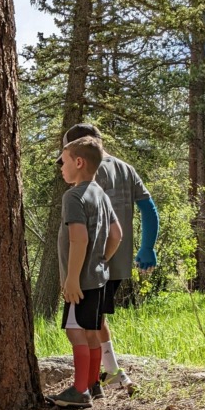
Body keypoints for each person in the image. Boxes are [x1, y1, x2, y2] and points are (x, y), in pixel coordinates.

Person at [63, 122, 160, 392]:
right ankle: (112, 371)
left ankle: (89, 384)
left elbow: (81, 230)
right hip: (116, 259)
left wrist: (74, 269)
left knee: (86, 324)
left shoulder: (85, 172)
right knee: (97, 318)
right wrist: (146, 248)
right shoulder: (126, 168)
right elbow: (149, 209)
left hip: (90, 262)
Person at [50, 136, 122, 409]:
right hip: (99, 277)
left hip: (79, 281)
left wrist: (71, 277)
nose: (61, 167)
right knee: (91, 331)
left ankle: (80, 390)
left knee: (74, 332)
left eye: (64, 161)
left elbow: (79, 239)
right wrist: (102, 259)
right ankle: (93, 384)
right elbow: (117, 234)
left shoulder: (73, 196)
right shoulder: (100, 194)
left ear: (78, 162)